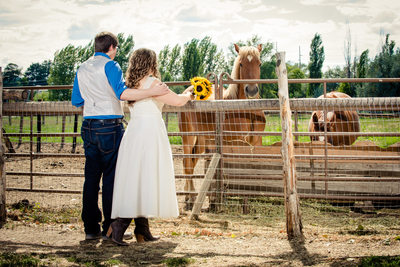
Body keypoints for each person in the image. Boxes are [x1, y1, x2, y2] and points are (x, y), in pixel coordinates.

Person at [71, 32, 169, 241]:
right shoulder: (111, 66)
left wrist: (95, 99)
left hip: (89, 125)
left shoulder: (81, 68)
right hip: (109, 126)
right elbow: (121, 93)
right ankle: (110, 226)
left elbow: (77, 100)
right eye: (116, 49)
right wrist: (150, 92)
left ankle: (90, 228)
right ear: (112, 48)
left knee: (90, 179)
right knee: (111, 179)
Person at [107, 48, 192, 246]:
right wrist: (188, 94)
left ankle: (142, 229)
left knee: (137, 177)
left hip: (135, 132)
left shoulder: (131, 84)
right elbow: (177, 101)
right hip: (150, 133)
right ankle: (118, 227)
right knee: (145, 176)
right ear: (152, 63)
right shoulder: (153, 83)